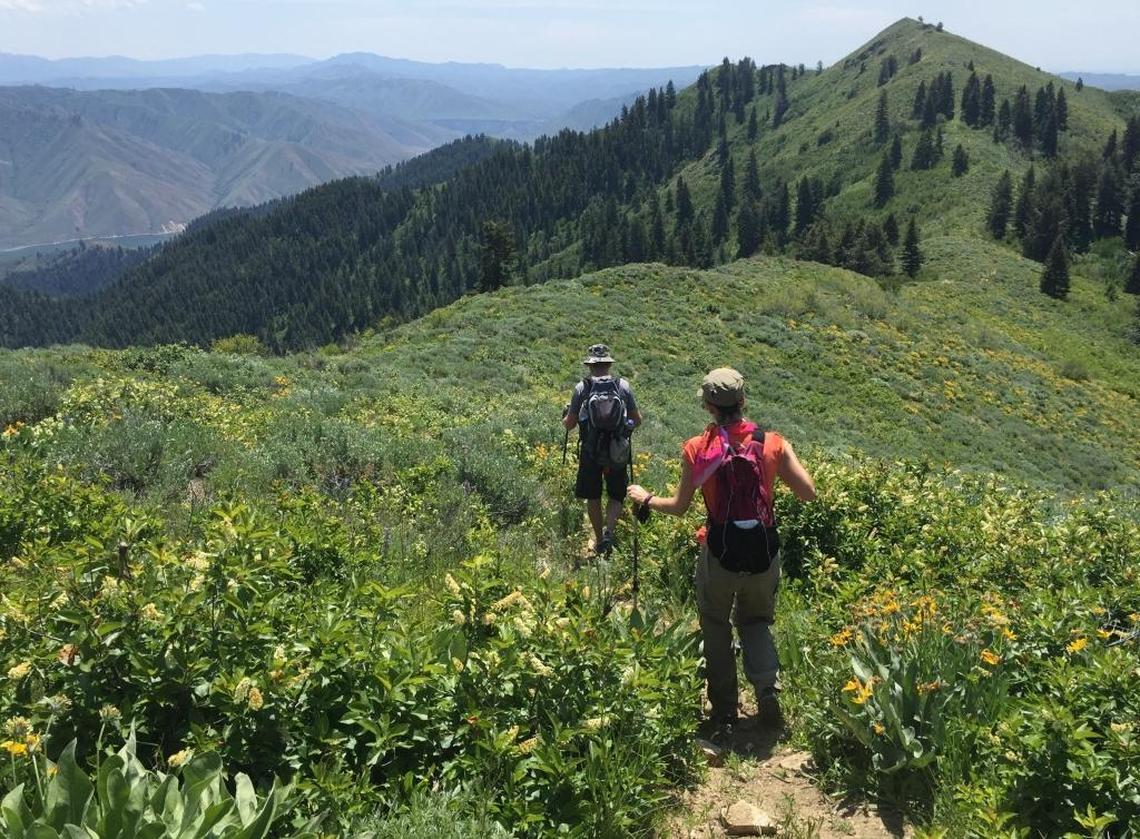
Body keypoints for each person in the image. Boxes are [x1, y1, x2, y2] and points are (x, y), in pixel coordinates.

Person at [627, 367, 815, 732]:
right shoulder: (773, 442)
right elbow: (808, 492)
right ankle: (767, 691)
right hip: (763, 550)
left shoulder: (698, 449)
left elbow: (679, 507)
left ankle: (725, 710)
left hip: (719, 551)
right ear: (743, 401)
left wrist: (646, 498)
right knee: (756, 621)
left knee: (715, 624)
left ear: (708, 406)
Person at [563, 344, 642, 555]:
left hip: (591, 451)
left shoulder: (582, 388)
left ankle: (598, 540)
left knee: (593, 496)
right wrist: (625, 429)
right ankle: (610, 532)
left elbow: (569, 424)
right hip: (617, 451)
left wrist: (566, 416)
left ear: (590, 365)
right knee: (616, 494)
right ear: (608, 364)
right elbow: (637, 420)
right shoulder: (622, 386)